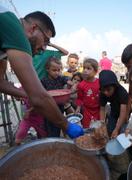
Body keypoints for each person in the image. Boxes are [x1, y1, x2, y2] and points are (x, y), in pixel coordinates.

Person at [0, 7, 83, 138]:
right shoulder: (15, 28)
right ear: (33, 28)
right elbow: (39, 98)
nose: (44, 48)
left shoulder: (5, 43)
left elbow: (0, 82)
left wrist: (27, 94)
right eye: (45, 41)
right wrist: (67, 126)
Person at [41, 57, 74, 137]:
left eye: (59, 70)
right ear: (47, 69)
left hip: (59, 107)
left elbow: (65, 78)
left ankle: (56, 139)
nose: (57, 73)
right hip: (48, 108)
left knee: (57, 126)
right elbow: (41, 93)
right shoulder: (44, 80)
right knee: (48, 127)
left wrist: (69, 81)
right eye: (54, 70)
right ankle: (50, 140)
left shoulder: (60, 78)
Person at [99, 70, 128, 138]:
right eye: (103, 90)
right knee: (110, 129)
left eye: (108, 90)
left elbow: (123, 113)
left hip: (125, 111)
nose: (106, 92)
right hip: (114, 110)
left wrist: (117, 129)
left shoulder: (122, 93)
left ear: (115, 86)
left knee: (121, 130)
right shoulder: (102, 93)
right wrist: (102, 125)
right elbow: (102, 109)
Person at [76, 58, 100, 128]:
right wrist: (78, 108)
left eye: (89, 68)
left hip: (98, 110)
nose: (85, 70)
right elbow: (80, 98)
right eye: (84, 68)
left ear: (95, 72)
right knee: (87, 128)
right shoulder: (81, 85)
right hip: (86, 111)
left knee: (97, 128)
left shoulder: (100, 82)